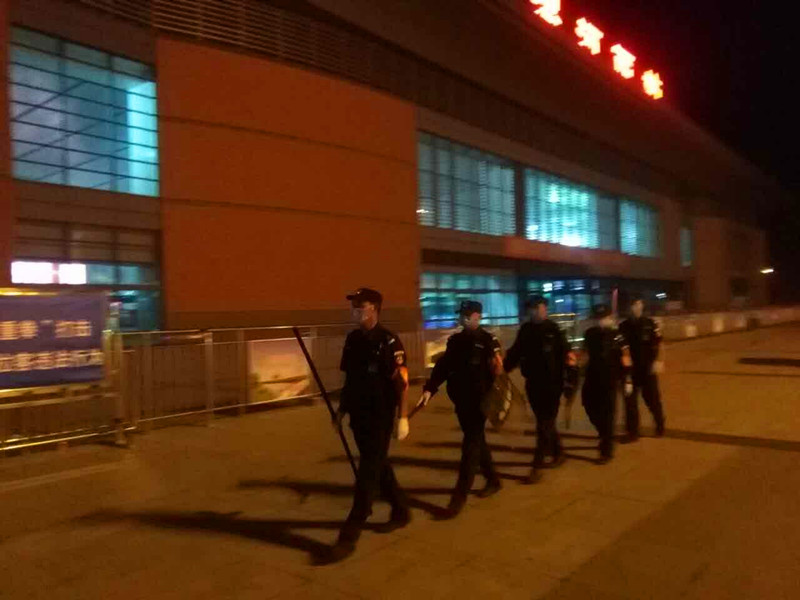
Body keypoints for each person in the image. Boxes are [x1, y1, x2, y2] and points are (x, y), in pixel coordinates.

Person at [327, 288, 411, 562]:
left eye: (359, 305)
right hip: (358, 416)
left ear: (374, 308)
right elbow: (350, 381)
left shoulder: (389, 341)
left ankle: (349, 535)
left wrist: (402, 417)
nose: (355, 310)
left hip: (380, 416)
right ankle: (401, 510)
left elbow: (402, 383)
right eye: (353, 305)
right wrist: (341, 410)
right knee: (378, 465)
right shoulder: (353, 339)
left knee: (367, 475)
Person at [418, 300, 504, 518]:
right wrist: (430, 389)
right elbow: (443, 366)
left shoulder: (488, 340)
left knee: (470, 447)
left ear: (477, 317)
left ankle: (458, 498)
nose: (462, 319)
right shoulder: (455, 341)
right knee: (477, 441)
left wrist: (498, 367)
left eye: (467, 316)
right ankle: (493, 480)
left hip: (480, 402)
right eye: (461, 315)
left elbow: (498, 366)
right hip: (461, 401)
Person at [504, 296, 572, 484]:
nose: (539, 311)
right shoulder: (526, 330)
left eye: (541, 308)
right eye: (534, 309)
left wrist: (570, 383)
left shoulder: (554, 330)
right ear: (530, 311)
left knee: (543, 425)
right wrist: (502, 370)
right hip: (533, 384)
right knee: (545, 422)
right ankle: (559, 452)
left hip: (553, 385)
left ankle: (537, 467)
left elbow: (567, 356)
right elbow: (515, 353)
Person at [581, 304, 631, 464]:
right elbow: (585, 354)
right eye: (598, 318)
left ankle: (606, 450)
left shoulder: (618, 336)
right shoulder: (590, 334)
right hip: (592, 377)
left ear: (610, 318)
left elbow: (626, 356)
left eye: (604, 318)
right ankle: (604, 433)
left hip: (610, 378)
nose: (601, 321)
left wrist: (628, 379)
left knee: (608, 414)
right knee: (589, 406)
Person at [619, 296, 666, 440]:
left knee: (653, 400)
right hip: (630, 371)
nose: (637, 307)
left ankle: (660, 426)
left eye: (639, 304)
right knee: (630, 402)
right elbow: (621, 348)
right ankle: (632, 432)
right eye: (634, 305)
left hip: (647, 369)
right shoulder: (623, 326)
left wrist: (659, 360)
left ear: (642, 305)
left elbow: (660, 343)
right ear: (630, 307)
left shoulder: (650, 324)